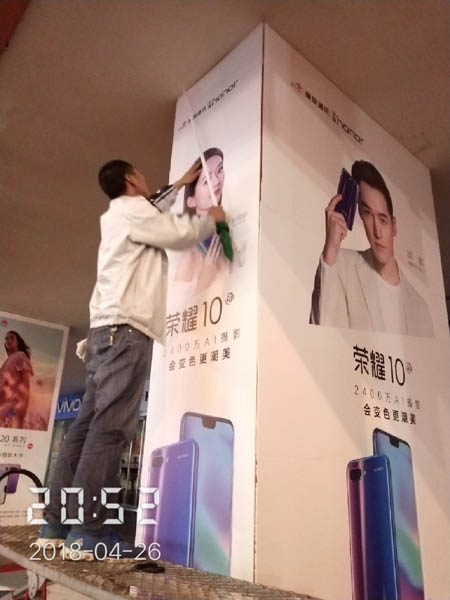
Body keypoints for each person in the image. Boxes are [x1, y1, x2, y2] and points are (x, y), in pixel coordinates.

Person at [40, 158, 225, 559]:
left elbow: (152, 208)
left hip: (102, 335)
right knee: (108, 432)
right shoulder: (133, 211)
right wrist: (210, 220)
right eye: (139, 173)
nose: (145, 177)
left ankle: (55, 524)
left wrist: (180, 183)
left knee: (83, 431)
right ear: (129, 179)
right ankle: (88, 532)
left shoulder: (118, 215)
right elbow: (175, 232)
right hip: (125, 334)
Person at [310, 160, 433, 337]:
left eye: (383, 219)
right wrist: (330, 252)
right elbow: (323, 338)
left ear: (394, 226)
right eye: (368, 214)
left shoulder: (421, 309)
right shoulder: (340, 264)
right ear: (360, 214)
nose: (377, 231)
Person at [174, 147, 230, 294]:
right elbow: (180, 306)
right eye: (206, 181)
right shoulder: (188, 259)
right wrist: (204, 280)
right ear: (191, 201)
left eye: (219, 170)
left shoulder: (226, 228)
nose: (216, 181)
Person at [0, 331, 34, 428]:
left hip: (13, 401)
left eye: (12, 338)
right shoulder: (8, 360)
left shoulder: (20, 355)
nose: (9, 340)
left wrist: (22, 403)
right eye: (6, 339)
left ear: (18, 341)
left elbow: (26, 383)